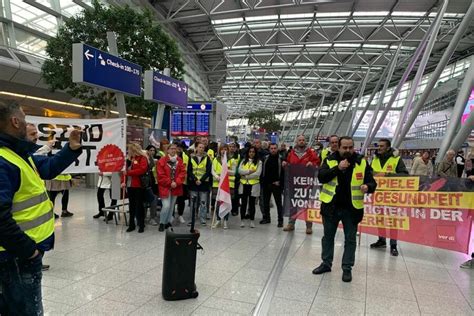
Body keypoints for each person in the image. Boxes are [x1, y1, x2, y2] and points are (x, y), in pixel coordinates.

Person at [0, 100, 82, 315]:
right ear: (15, 121)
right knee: (27, 311)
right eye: (25, 119)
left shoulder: (17, 153)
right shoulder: (3, 160)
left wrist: (71, 149)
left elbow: (46, 167)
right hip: (16, 256)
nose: (28, 123)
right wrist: (29, 252)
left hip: (19, 253)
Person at [313, 136, 377, 282]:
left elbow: (372, 182)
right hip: (331, 206)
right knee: (328, 237)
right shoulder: (329, 160)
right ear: (339, 147)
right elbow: (321, 177)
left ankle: (347, 268)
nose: (348, 150)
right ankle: (326, 263)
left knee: (350, 239)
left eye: (350, 147)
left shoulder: (361, 161)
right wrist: (338, 168)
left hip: (352, 208)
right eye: (345, 147)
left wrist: (368, 187)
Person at [369, 138, 408, 256]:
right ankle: (381, 240)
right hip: (378, 195)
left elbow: (404, 175)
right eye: (378, 146)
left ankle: (393, 244)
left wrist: (387, 175)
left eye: (381, 146)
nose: (379, 148)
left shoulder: (396, 159)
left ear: (388, 147)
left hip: (392, 195)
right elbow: (370, 173)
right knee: (379, 218)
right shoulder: (375, 159)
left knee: (393, 220)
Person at [282, 135, 320, 234]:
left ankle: (308, 226)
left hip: (306, 183)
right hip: (294, 182)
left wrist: (312, 164)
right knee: (293, 204)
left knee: (307, 204)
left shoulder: (310, 152)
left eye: (303, 140)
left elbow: (317, 163)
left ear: (305, 141)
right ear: (297, 141)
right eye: (300, 140)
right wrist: (285, 164)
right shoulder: (291, 153)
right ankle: (291, 224)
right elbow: (288, 163)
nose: (302, 141)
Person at [157, 144, 186, 232]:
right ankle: (162, 222)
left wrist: (176, 182)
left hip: (175, 186)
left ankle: (168, 222)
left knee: (172, 206)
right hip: (165, 186)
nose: (174, 150)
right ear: (168, 150)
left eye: (175, 149)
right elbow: (160, 175)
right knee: (166, 206)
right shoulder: (162, 161)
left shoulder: (179, 160)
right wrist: (170, 183)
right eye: (172, 149)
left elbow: (182, 173)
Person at [123, 143, 148, 233]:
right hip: (130, 185)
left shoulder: (142, 158)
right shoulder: (129, 159)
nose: (128, 151)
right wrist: (123, 181)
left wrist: (129, 172)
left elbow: (142, 170)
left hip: (138, 185)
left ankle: (141, 224)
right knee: (131, 205)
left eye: (129, 149)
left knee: (139, 205)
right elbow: (124, 171)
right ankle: (131, 224)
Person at [211, 144, 237, 229]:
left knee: (226, 202)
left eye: (225, 149)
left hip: (228, 185)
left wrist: (226, 171)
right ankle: (218, 220)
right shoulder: (215, 159)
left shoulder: (231, 160)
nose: (223, 151)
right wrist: (217, 176)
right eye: (222, 149)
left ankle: (225, 220)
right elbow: (213, 171)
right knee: (218, 203)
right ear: (219, 150)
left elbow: (234, 172)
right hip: (217, 184)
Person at [187, 142, 212, 226]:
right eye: (200, 147)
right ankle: (191, 219)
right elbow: (189, 170)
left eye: (203, 147)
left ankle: (203, 219)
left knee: (203, 202)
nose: (201, 149)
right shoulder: (191, 158)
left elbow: (208, 171)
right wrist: (195, 179)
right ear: (196, 148)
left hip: (203, 183)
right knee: (193, 202)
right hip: (193, 183)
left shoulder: (207, 158)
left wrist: (201, 180)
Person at [261, 143, 284, 227]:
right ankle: (267, 218)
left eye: (275, 148)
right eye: (271, 148)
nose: (273, 150)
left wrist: (280, 182)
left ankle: (280, 220)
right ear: (269, 149)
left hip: (276, 185)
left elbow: (284, 173)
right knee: (265, 202)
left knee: (278, 203)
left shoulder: (281, 159)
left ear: (277, 149)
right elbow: (262, 171)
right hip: (266, 184)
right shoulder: (265, 158)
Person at [238, 146, 262, 228]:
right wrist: (249, 171)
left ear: (255, 153)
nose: (251, 153)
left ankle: (252, 220)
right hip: (243, 185)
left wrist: (246, 176)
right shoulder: (243, 161)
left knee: (252, 204)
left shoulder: (259, 162)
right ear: (248, 153)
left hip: (253, 185)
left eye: (253, 152)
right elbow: (239, 170)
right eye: (250, 152)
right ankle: (242, 220)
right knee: (243, 204)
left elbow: (257, 174)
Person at [175, 142, 189, 224]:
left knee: (181, 199)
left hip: (182, 182)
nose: (179, 149)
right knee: (172, 200)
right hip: (172, 182)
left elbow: (185, 170)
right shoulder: (170, 157)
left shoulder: (186, 157)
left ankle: (180, 215)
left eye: (180, 147)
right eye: (177, 147)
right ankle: (171, 215)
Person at [145, 145, 159, 226]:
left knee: (154, 200)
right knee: (144, 201)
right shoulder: (144, 159)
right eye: (150, 150)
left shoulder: (157, 159)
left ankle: (152, 217)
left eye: (153, 150)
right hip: (146, 183)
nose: (152, 152)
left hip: (154, 183)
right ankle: (143, 216)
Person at [228, 142, 241, 216]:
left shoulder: (238, 156)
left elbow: (239, 167)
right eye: (230, 146)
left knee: (235, 196)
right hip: (227, 179)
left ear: (236, 148)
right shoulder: (225, 156)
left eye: (233, 147)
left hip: (235, 179)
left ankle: (235, 210)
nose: (232, 148)